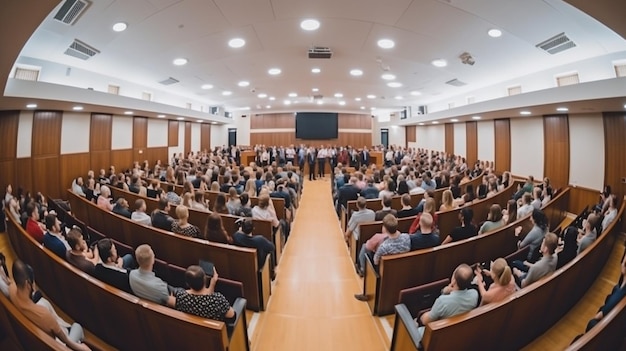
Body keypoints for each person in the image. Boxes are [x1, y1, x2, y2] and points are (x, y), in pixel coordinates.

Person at [9, 260, 91, 351]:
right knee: (77, 327)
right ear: (28, 284)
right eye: (33, 282)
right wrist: (82, 348)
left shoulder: (11, 289)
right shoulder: (42, 314)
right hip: (55, 345)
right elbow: (66, 341)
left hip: (36, 341)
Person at [413, 264, 478, 344]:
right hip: (457, 334)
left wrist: (420, 317)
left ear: (453, 280)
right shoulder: (474, 294)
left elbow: (425, 321)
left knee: (414, 325)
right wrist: (448, 291)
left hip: (437, 337)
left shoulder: (443, 301)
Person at [355, 215, 410, 300]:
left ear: (385, 228)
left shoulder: (383, 247)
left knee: (367, 253)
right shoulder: (406, 237)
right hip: (402, 269)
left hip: (385, 271)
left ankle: (366, 288)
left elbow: (375, 262)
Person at [583, 255, 626, 332]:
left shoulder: (619, 295)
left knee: (592, 323)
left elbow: (598, 316)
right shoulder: (620, 290)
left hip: (608, 327)